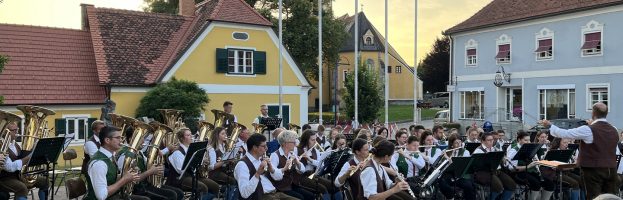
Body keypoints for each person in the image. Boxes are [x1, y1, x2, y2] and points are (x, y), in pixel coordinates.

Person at [542, 102, 621, 200]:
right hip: (611, 169)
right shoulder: (614, 129)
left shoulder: (588, 129)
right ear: (606, 114)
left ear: (593, 113)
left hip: (593, 170)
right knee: (610, 197)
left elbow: (565, 133)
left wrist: (550, 125)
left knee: (594, 197)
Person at [116, 127, 180, 200]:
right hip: (133, 190)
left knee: (177, 193)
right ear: (131, 139)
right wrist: (151, 171)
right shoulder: (124, 156)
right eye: (141, 139)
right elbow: (129, 180)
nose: (144, 142)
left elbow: (150, 166)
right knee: (171, 196)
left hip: (143, 186)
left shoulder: (140, 153)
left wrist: (158, 165)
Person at [84, 126, 145, 200]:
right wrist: (124, 179)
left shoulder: (110, 156)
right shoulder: (99, 163)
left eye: (121, 137)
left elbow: (110, 179)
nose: (121, 140)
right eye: (118, 138)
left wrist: (127, 175)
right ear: (107, 140)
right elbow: (101, 196)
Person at [234, 134, 297, 200]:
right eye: (263, 146)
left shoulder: (261, 159)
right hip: (261, 196)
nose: (266, 148)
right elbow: (244, 193)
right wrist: (257, 174)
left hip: (275, 193)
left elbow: (278, 178)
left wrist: (272, 169)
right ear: (255, 147)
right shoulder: (242, 165)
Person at [0, 122, 49, 200]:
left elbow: (23, 157)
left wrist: (36, 147)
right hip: (5, 178)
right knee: (22, 188)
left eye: (17, 129)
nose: (17, 132)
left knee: (44, 181)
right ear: (6, 131)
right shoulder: (2, 145)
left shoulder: (15, 144)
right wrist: (29, 156)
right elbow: (10, 167)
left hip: (18, 175)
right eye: (14, 130)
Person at [166, 128, 216, 200]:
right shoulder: (177, 153)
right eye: (188, 135)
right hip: (179, 179)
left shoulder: (192, 150)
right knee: (202, 188)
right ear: (182, 138)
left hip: (192, 176)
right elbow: (181, 170)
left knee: (215, 186)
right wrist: (196, 161)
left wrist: (202, 161)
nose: (191, 137)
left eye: (191, 135)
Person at [506, 131, 554, 200]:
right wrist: (528, 166)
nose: (528, 142)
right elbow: (511, 168)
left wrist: (539, 163)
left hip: (530, 171)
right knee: (536, 184)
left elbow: (536, 160)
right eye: (526, 140)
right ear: (519, 140)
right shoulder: (514, 150)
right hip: (518, 173)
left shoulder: (530, 148)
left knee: (550, 184)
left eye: (529, 140)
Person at [268, 130, 314, 199]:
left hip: (292, 185)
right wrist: (284, 169)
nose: (295, 144)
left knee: (311, 195)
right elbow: (274, 176)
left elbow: (302, 170)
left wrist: (297, 163)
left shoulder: (291, 153)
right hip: (281, 188)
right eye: (293, 142)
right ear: (285, 143)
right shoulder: (275, 155)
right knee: (300, 197)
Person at [472, 133, 516, 200]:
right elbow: (477, 166)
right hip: (484, 173)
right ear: (483, 141)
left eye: (492, 140)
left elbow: (500, 163)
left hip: (496, 171)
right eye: (489, 140)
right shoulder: (479, 150)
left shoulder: (494, 149)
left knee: (511, 185)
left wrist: (502, 159)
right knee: (498, 187)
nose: (491, 142)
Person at [297, 130, 339, 200]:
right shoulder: (297, 150)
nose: (315, 142)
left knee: (335, 186)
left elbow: (321, 165)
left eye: (315, 139)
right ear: (306, 140)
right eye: (312, 140)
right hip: (302, 177)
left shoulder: (315, 151)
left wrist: (310, 160)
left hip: (313, 175)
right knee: (323, 189)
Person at [437, 133, 476, 200]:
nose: (458, 145)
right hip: (448, 176)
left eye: (460, 142)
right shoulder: (446, 151)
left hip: (460, 176)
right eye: (456, 143)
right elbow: (442, 167)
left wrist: (448, 159)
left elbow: (459, 166)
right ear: (452, 144)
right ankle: (451, 197)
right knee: (440, 183)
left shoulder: (465, 152)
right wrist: (442, 157)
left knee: (469, 186)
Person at [207, 127, 238, 200]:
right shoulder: (212, 148)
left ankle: (226, 195)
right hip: (215, 173)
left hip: (224, 171)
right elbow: (212, 167)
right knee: (232, 181)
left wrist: (231, 161)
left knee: (238, 177)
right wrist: (224, 161)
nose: (225, 135)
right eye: (223, 134)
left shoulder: (225, 147)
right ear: (217, 135)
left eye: (225, 133)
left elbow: (225, 162)